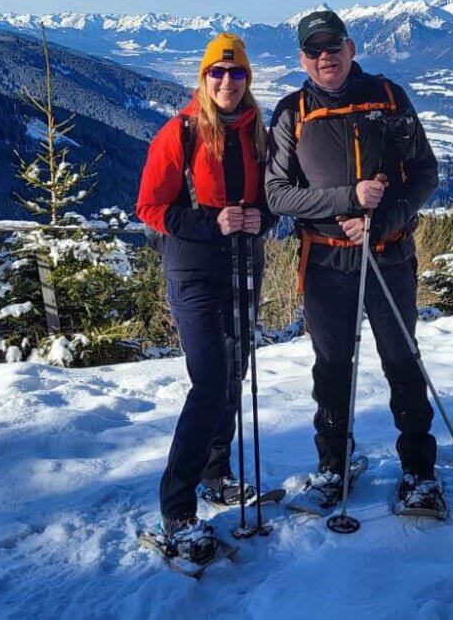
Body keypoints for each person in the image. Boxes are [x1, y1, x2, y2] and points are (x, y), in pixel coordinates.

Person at [264, 9, 443, 515]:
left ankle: (419, 471)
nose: (326, 57)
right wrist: (348, 199)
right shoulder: (291, 112)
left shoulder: (388, 98)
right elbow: (277, 195)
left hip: (388, 255)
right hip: (325, 262)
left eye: (333, 47)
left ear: (351, 47)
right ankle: (333, 466)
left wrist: (381, 220)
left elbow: (425, 172)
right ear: (302, 58)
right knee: (332, 367)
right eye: (315, 50)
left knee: (402, 361)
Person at [136, 33, 274, 559]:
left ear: (248, 80)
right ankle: (177, 505)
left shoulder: (256, 132)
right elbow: (149, 208)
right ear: (203, 77)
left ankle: (217, 471)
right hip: (192, 271)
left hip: (244, 268)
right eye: (217, 73)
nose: (227, 82)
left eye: (236, 73)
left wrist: (267, 217)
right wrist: (210, 222)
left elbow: (272, 198)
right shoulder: (181, 134)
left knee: (234, 370)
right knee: (211, 379)